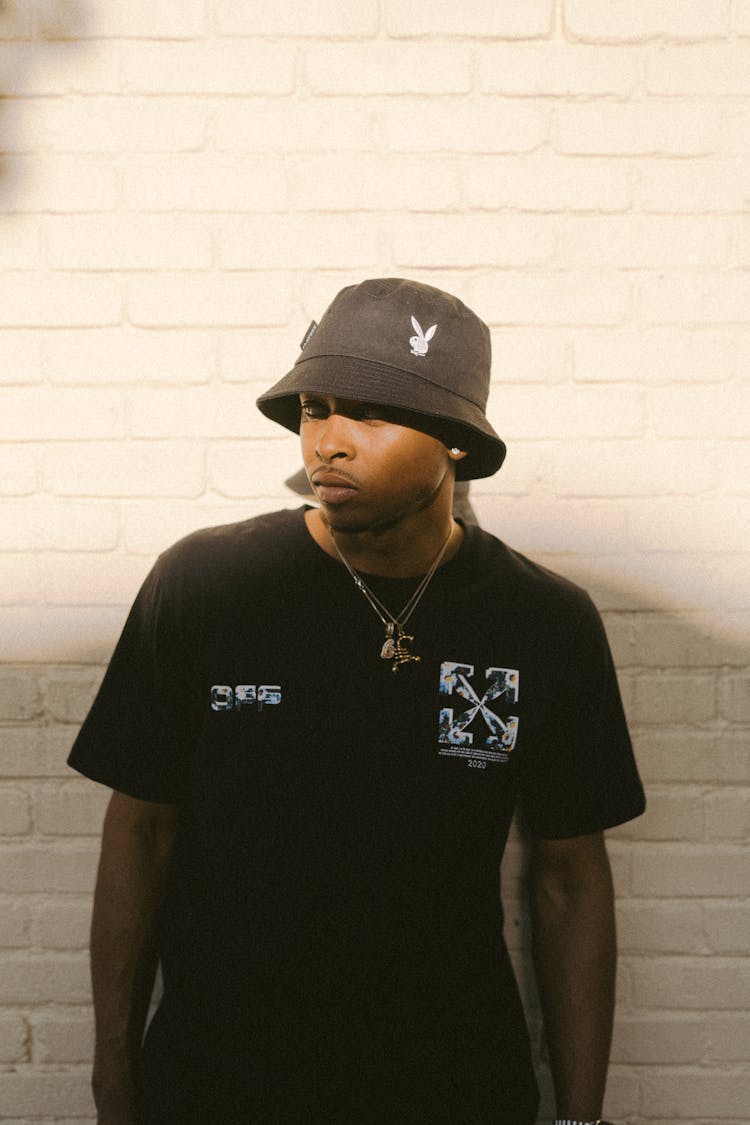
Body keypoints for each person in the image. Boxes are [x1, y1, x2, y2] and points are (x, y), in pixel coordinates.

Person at [69, 277, 645, 1125]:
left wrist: (580, 1116)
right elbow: (140, 829)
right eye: (315, 407)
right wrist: (113, 1075)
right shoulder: (207, 584)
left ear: (455, 440)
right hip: (218, 1084)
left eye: (370, 413)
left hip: (452, 1085)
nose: (327, 442)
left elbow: (569, 879)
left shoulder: (541, 620)